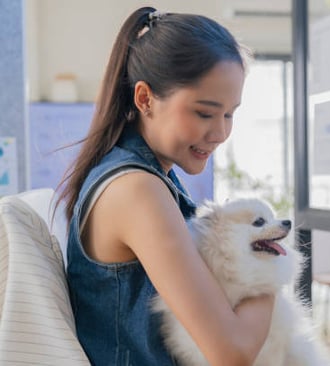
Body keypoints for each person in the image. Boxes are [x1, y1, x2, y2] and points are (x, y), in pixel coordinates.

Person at [57, 7, 274, 366]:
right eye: (204, 113)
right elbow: (232, 352)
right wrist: (270, 264)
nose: (220, 133)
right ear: (145, 99)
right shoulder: (137, 189)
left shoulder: (146, 175)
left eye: (230, 114)